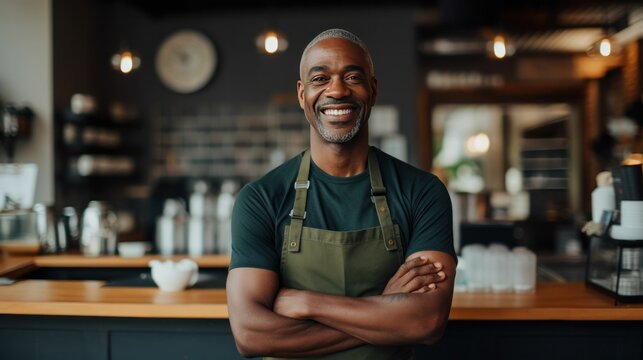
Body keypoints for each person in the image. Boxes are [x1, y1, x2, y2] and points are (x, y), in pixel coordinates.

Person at [226, 28, 456, 359]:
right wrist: (385, 311)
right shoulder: (261, 198)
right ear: (302, 94)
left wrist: (307, 302)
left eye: (352, 76)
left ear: (372, 90)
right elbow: (251, 335)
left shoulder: (422, 192)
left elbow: (426, 321)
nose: (337, 90)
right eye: (321, 79)